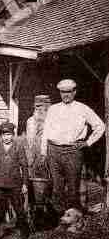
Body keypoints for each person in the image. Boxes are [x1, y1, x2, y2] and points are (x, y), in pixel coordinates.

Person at [40, 79, 105, 216]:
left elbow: (100, 126)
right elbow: (46, 130)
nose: (66, 95)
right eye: (63, 92)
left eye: (69, 92)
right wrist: (43, 151)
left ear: (74, 92)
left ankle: (73, 218)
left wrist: (87, 142)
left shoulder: (83, 108)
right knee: (56, 186)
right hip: (53, 150)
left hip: (73, 151)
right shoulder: (53, 109)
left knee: (72, 186)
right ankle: (59, 217)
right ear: (60, 93)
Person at [0, 122, 30, 239]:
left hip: (14, 184)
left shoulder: (18, 147)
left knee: (19, 209)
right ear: (1, 136)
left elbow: (24, 166)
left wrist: (25, 184)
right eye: (4, 135)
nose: (7, 137)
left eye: (9, 134)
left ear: (13, 135)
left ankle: (24, 235)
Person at [25, 95, 51, 179]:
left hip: (49, 156)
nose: (40, 110)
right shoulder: (30, 121)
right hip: (33, 157)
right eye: (37, 107)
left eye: (43, 108)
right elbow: (29, 140)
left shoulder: (51, 121)